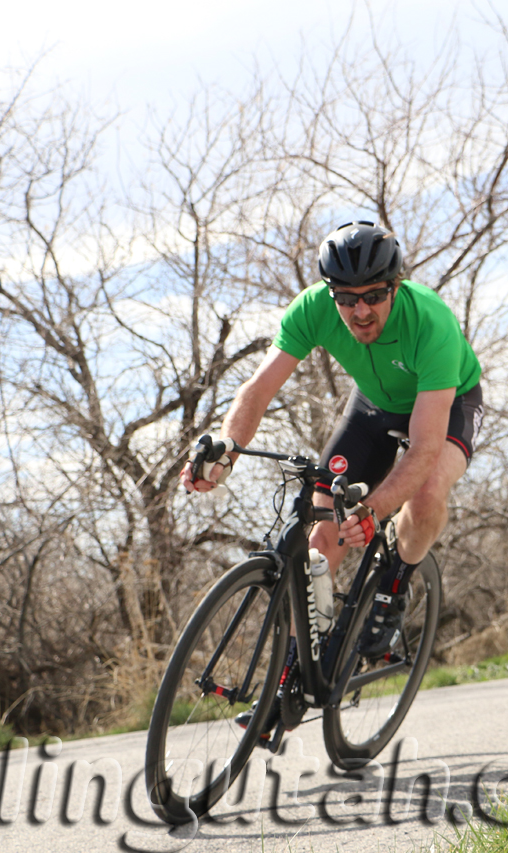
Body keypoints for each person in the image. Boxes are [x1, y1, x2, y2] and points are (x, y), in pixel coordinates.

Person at [180, 220, 483, 732]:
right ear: (330, 293)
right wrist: (229, 447)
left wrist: (375, 509)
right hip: (371, 408)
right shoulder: (313, 309)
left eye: (373, 296)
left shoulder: (430, 323)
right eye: (347, 298)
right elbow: (257, 391)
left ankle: (395, 585)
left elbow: (426, 446)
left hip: (445, 407)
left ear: (396, 286)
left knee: (427, 492)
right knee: (321, 538)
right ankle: (292, 680)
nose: (360, 311)